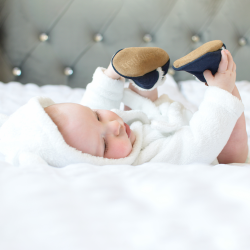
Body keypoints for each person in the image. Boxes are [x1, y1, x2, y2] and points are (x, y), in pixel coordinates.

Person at [0, 46, 248, 167]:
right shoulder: (149, 160)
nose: (115, 126)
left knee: (136, 108)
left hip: (156, 123)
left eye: (98, 117)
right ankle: (219, 74)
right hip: (212, 150)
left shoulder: (101, 133)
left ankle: (143, 79)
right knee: (230, 129)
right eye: (105, 144)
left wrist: (110, 77)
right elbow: (200, 144)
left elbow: (92, 104)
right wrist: (218, 96)